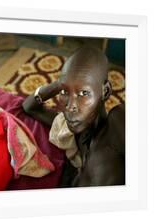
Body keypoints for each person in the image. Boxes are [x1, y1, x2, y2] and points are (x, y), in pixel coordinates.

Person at [22, 46, 125, 187]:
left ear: (105, 92)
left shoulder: (116, 126)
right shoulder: (76, 130)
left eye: (83, 93)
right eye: (65, 92)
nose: (70, 106)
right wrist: (62, 83)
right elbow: (30, 107)